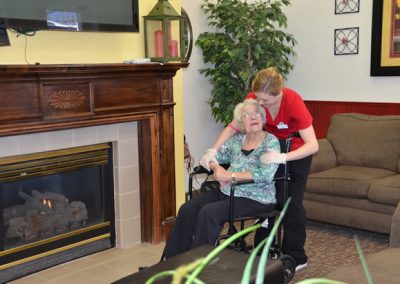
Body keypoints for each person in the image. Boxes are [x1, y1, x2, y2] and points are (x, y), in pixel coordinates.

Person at [200, 67, 319, 271]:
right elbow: (234, 126)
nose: (260, 104)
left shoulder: (293, 102)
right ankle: (265, 243)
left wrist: (283, 157)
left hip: (296, 152)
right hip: (270, 147)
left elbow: (313, 145)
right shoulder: (256, 96)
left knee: (290, 202)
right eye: (258, 99)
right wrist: (213, 150)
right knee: (271, 196)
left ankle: (296, 256)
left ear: (278, 93)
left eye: (265, 101)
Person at [164, 99, 281, 259]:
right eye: (248, 115)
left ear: (262, 118)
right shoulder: (236, 141)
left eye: (257, 113)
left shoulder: (270, 142)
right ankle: (173, 260)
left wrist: (229, 175)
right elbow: (210, 157)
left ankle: (197, 265)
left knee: (209, 213)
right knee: (187, 209)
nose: (253, 117)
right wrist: (216, 168)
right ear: (241, 123)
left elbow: (266, 174)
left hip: (256, 198)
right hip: (228, 191)